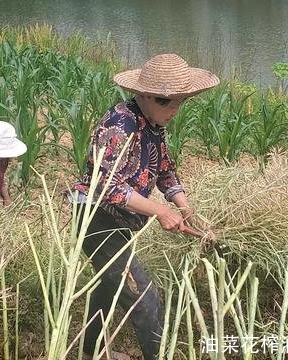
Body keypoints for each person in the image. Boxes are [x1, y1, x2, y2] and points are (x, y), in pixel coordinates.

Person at [69, 54, 219, 360]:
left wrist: (187, 210)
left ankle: (91, 351)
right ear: (144, 95)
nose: (174, 111)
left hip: (119, 221)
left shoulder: (153, 125)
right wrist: (161, 211)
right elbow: (106, 185)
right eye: (167, 103)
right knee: (145, 300)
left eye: (179, 102)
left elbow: (164, 170)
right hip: (95, 220)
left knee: (109, 286)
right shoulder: (120, 125)